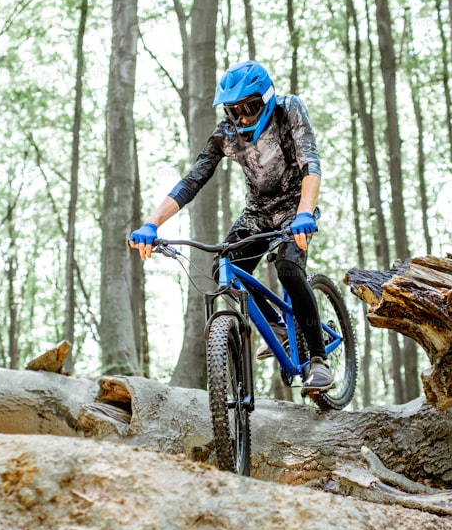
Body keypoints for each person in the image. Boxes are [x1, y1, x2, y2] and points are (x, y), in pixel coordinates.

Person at [128, 60, 334, 393]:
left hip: (297, 208)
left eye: (249, 108)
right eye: (233, 110)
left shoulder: (289, 109)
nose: (241, 118)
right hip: (258, 211)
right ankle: (275, 326)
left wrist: (305, 214)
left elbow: (311, 162)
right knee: (224, 265)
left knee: (287, 268)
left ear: (266, 100)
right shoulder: (226, 133)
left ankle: (318, 360)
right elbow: (193, 179)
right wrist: (152, 224)